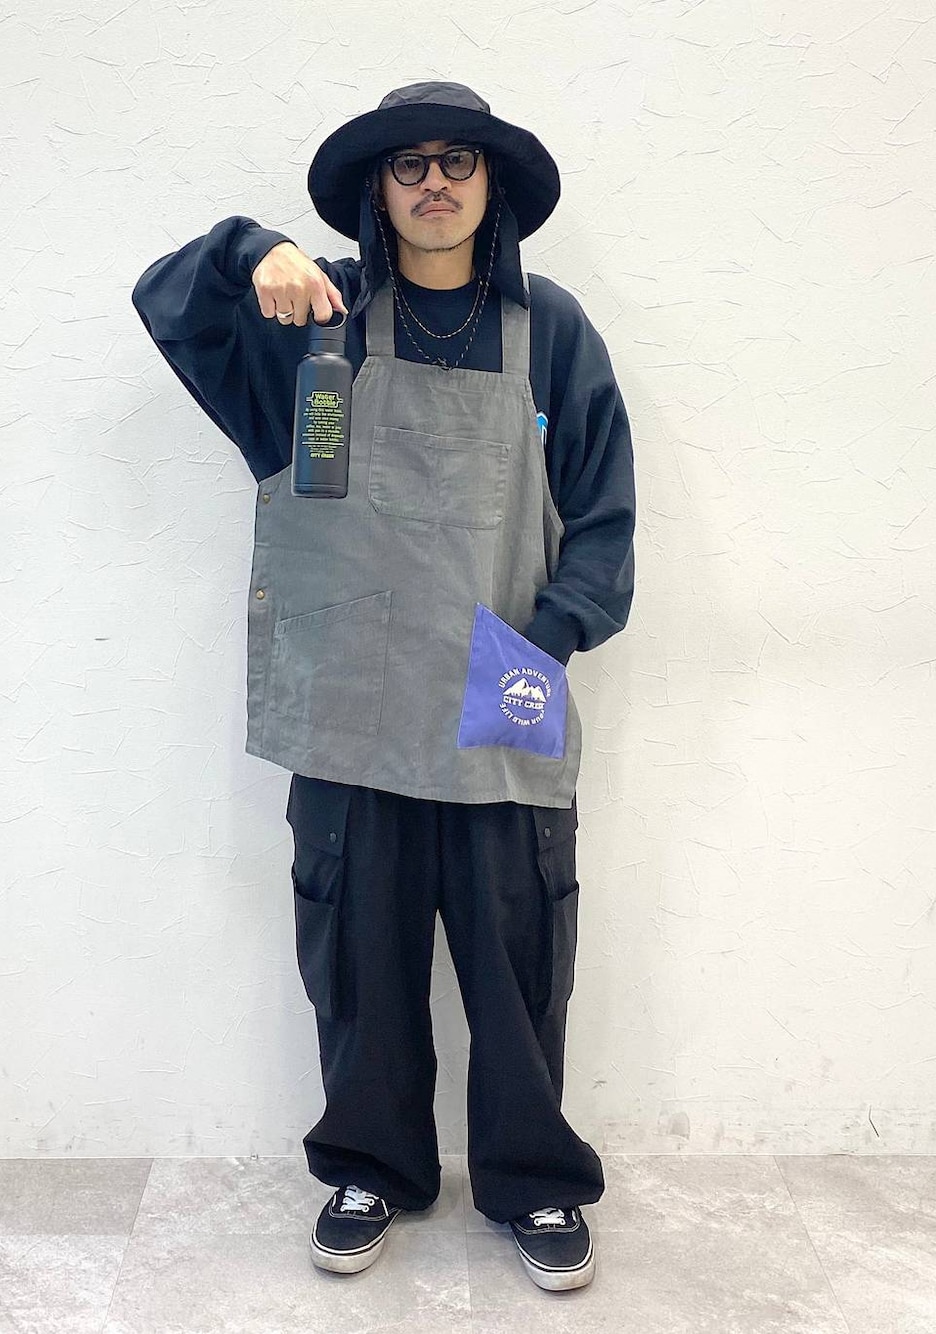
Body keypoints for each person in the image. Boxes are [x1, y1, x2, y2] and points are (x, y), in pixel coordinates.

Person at [131, 81, 635, 1292]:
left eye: (458, 160)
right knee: (356, 963)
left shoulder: (551, 332)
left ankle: (533, 1178)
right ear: (377, 187)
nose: (434, 183)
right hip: (350, 706)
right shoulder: (317, 323)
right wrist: (253, 250)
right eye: (408, 164)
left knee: (519, 962)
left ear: (492, 184)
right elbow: (168, 300)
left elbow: (604, 523)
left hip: (497, 702)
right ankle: (370, 1166)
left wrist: (540, 643)